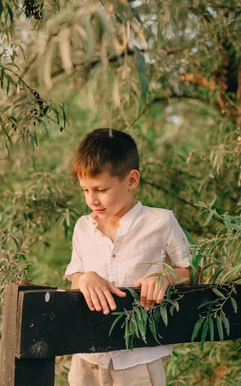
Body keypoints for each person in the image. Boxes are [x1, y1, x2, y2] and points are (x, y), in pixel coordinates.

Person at [65, 128, 193, 386]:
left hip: (139, 359)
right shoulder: (82, 227)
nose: (92, 199)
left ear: (131, 180)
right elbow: (75, 279)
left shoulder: (161, 221)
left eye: (100, 189)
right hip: (87, 358)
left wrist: (165, 274)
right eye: (85, 190)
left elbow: (187, 271)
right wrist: (85, 278)